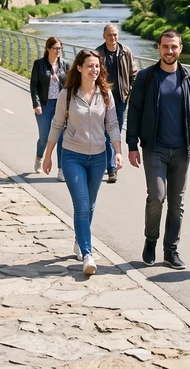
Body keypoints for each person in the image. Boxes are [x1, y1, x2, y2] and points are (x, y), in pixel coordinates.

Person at [126, 29, 190, 270]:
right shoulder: (146, 77)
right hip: (154, 149)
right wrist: (132, 145)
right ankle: (150, 241)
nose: (169, 51)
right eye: (165, 46)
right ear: (159, 48)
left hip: (182, 150)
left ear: (181, 49)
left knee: (177, 203)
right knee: (156, 197)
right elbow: (135, 113)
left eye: (174, 47)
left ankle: (170, 251)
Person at [43, 49, 121, 276]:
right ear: (79, 67)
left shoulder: (105, 94)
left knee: (91, 204)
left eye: (97, 66)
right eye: (89, 66)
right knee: (82, 204)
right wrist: (48, 155)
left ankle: (79, 239)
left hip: (98, 157)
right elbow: (57, 124)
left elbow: (113, 124)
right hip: (72, 156)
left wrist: (117, 152)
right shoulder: (67, 95)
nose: (94, 70)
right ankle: (88, 254)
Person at [96, 24, 136, 185]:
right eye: (110, 35)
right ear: (104, 36)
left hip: (120, 99)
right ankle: (111, 168)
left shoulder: (126, 52)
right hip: (102, 99)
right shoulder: (98, 53)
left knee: (115, 133)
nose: (113, 38)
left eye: (115, 35)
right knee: (104, 132)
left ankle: (110, 163)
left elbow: (134, 73)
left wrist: (130, 90)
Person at [30, 37, 68, 175]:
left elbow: (69, 86)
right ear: (48, 48)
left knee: (61, 137)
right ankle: (39, 157)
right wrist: (36, 104)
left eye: (59, 48)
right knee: (45, 137)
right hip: (44, 105)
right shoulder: (39, 64)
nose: (57, 51)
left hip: (60, 105)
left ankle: (61, 170)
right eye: (55, 48)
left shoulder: (65, 65)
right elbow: (34, 86)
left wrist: (59, 81)